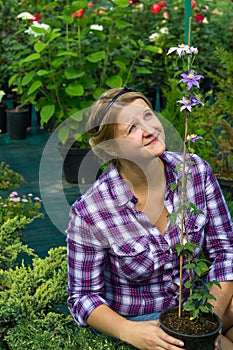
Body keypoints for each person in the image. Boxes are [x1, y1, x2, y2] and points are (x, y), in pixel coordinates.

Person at [66, 87, 233, 350]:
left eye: (147, 115)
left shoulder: (195, 171)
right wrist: (128, 331)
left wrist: (211, 318)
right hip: (144, 321)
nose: (148, 129)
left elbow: (225, 250)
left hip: (201, 303)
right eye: (131, 129)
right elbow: (83, 297)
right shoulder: (91, 211)